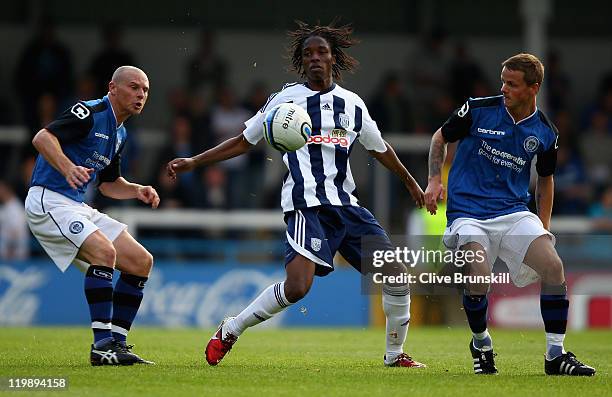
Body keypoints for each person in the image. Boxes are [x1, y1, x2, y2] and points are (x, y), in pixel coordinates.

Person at [168, 21, 426, 368]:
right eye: (308, 54)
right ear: (301, 61)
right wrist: (195, 161)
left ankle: (395, 355)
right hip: (307, 206)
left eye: (322, 52)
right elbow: (245, 140)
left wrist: (410, 181)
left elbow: (379, 148)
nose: (315, 58)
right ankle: (232, 327)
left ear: (334, 58)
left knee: (395, 275)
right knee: (298, 287)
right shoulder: (285, 100)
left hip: (347, 207)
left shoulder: (352, 105)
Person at [424, 53, 596, 376]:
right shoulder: (478, 110)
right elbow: (440, 137)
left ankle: (555, 356)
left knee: (554, 266)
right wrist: (434, 179)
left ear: (534, 88)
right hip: (468, 213)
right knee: (478, 274)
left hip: (514, 212)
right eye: (502, 81)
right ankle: (481, 342)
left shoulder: (546, 132)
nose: (503, 88)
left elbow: (545, 179)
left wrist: (542, 230)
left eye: (511, 84)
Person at [25, 66, 160, 366]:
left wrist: (137, 190)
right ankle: (101, 346)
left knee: (141, 261)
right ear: (113, 87)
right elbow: (42, 138)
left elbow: (110, 185)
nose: (140, 95)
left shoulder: (120, 133)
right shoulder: (90, 112)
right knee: (104, 252)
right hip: (49, 198)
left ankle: (117, 345)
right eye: (134, 87)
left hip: (75, 205)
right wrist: (67, 167)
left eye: (145, 90)